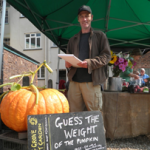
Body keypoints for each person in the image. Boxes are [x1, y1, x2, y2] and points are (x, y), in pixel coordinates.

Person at [65, 5, 111, 112]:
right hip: (74, 84)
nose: (84, 19)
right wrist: (67, 64)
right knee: (74, 116)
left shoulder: (100, 36)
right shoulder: (72, 40)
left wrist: (89, 63)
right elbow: (68, 57)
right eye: (82, 16)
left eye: (87, 16)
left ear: (92, 17)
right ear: (78, 19)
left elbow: (106, 56)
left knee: (94, 117)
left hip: (92, 83)